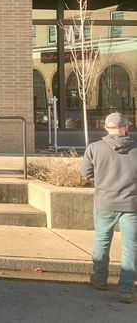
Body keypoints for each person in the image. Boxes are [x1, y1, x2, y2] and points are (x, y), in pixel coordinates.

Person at [80, 112, 137, 304]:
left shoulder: (95, 148)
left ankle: (100, 278)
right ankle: (127, 290)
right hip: (131, 204)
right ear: (126, 127)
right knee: (131, 247)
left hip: (104, 202)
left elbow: (86, 173)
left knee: (102, 240)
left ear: (106, 127)